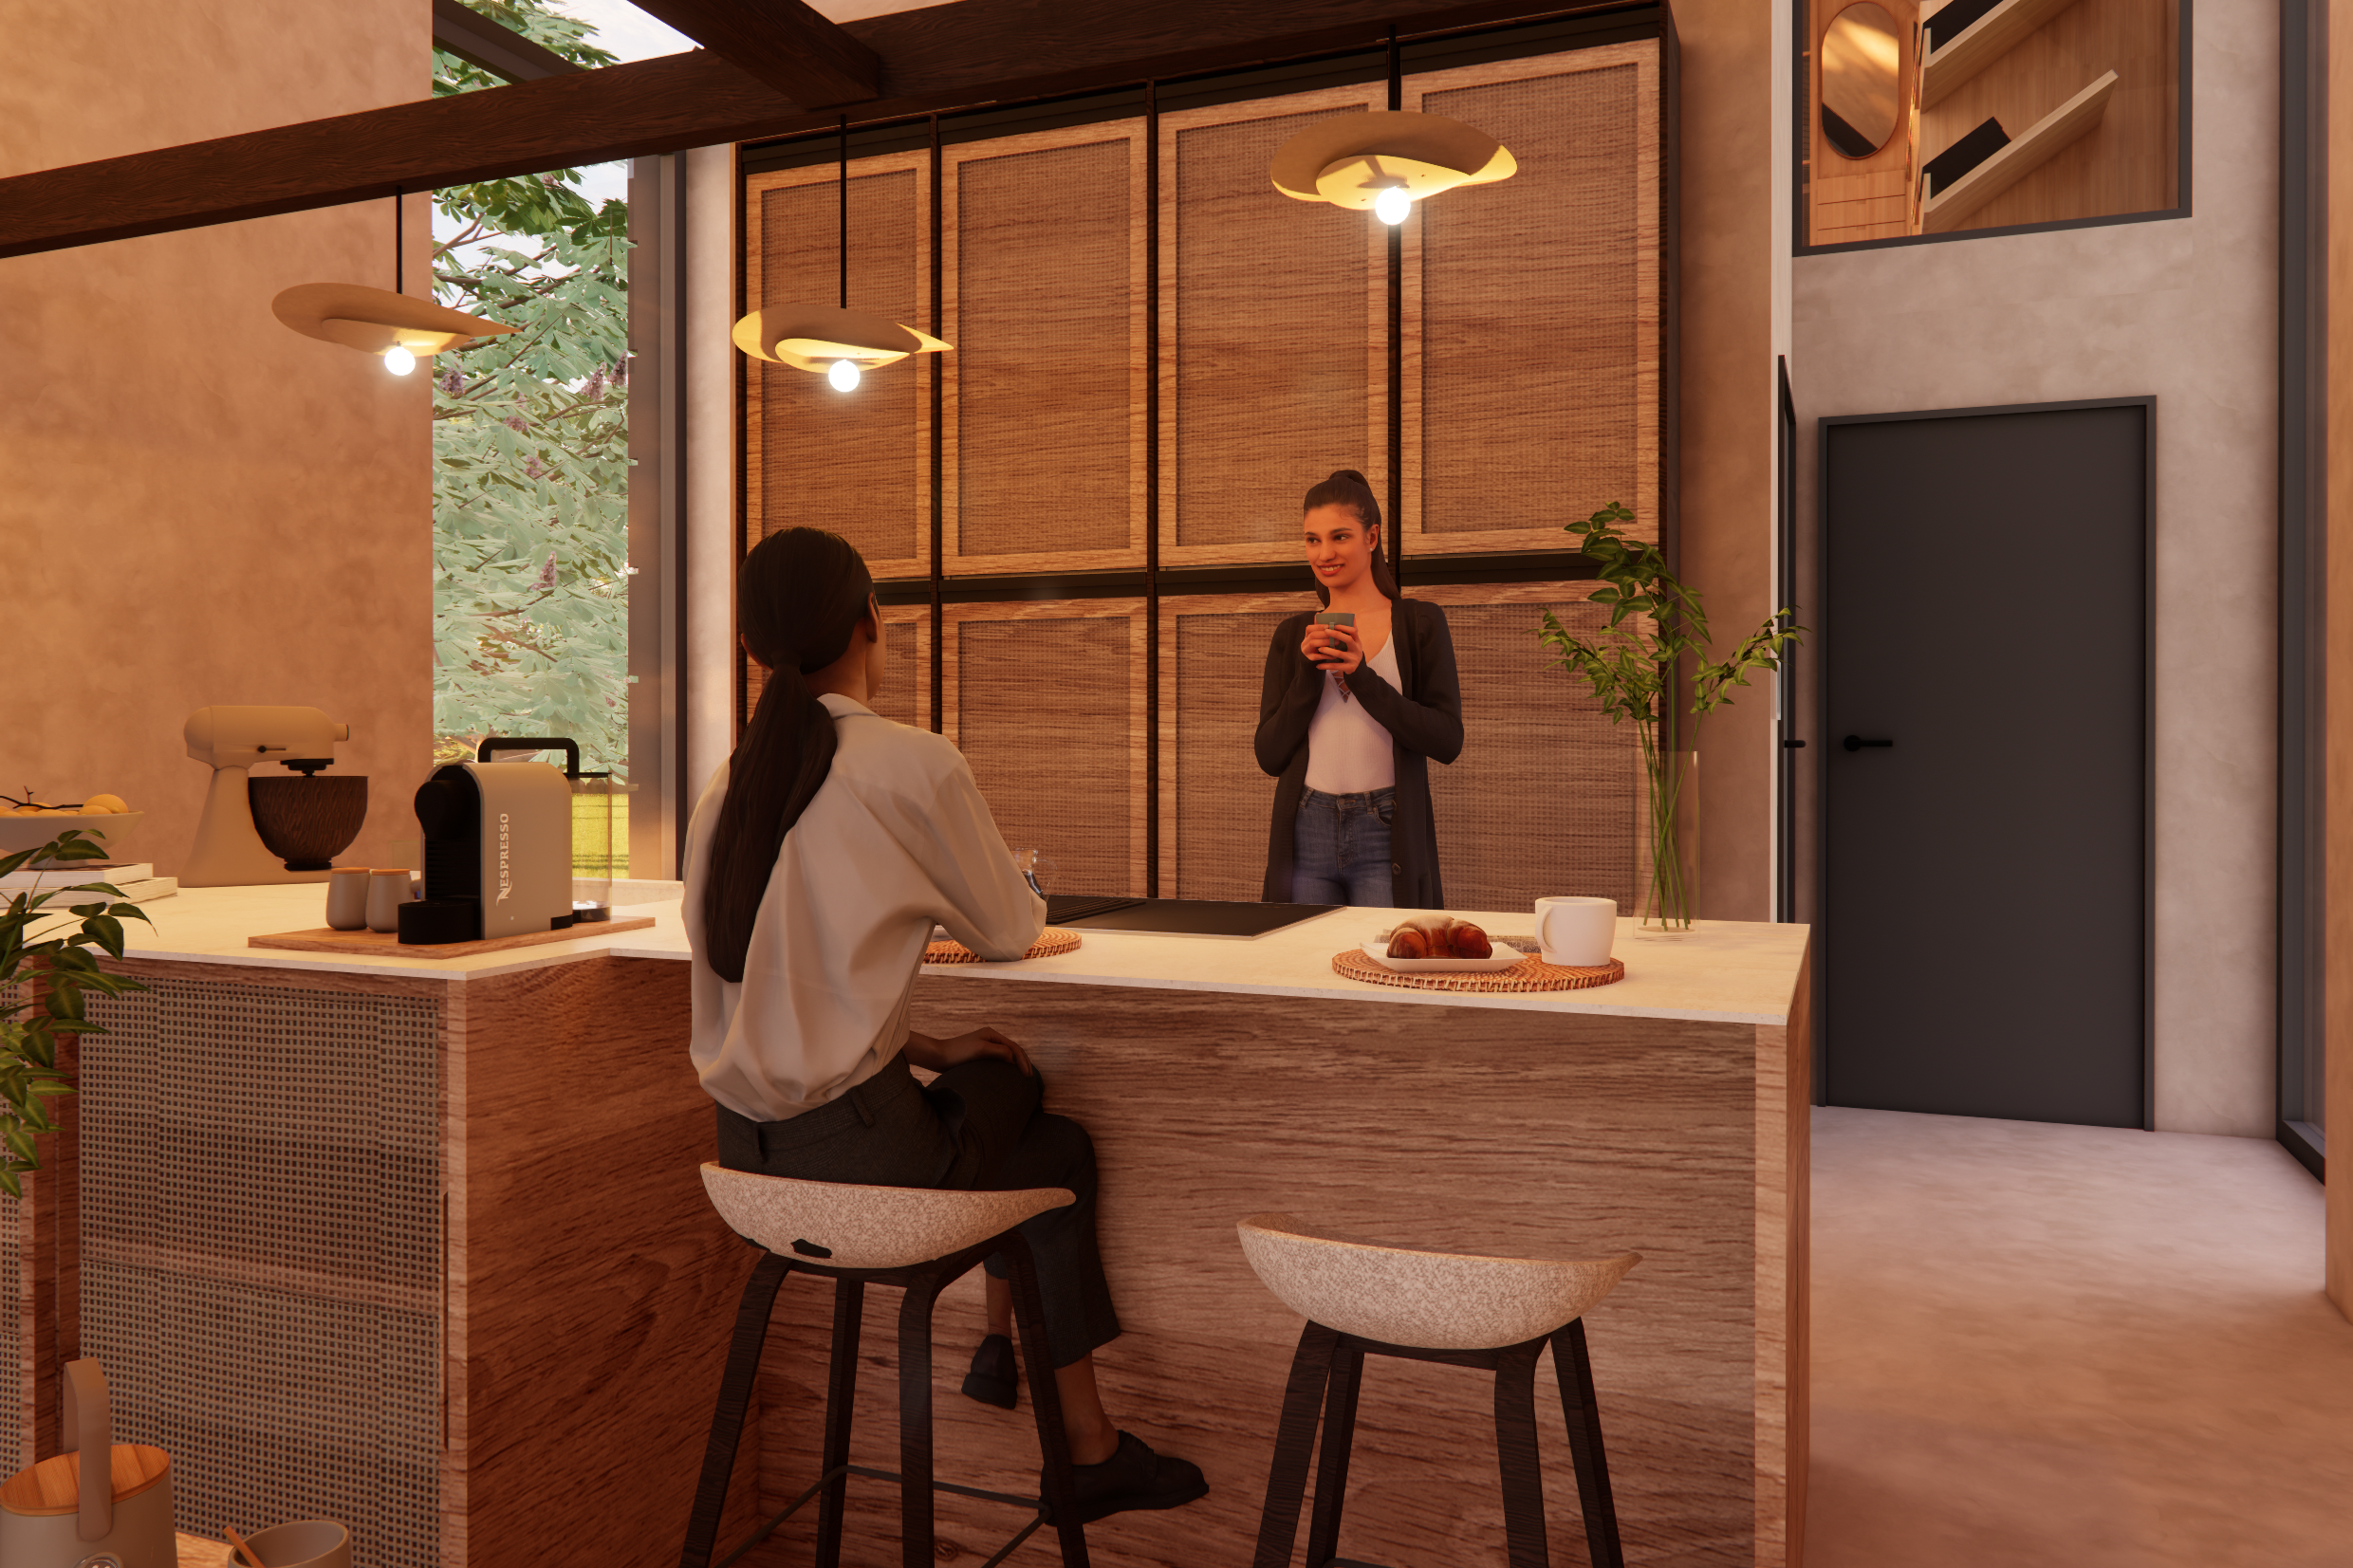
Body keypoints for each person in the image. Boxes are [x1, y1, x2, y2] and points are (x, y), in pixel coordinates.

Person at [683, 526, 1207, 1522]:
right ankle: (1080, 1440)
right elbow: (1009, 930)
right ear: (868, 621)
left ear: (752, 644)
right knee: (1046, 1137)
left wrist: (929, 1045)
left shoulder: (727, 788)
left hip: (744, 1162)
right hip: (867, 1164)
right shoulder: (907, 763)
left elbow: (760, 982)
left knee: (997, 1094)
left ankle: (1001, 1350)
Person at [1254, 470, 1464, 907]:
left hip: (1385, 829)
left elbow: (1447, 740)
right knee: (1301, 949)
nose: (1325, 553)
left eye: (1340, 537)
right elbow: (1269, 755)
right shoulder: (1293, 634)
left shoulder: (1420, 622)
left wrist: (1363, 678)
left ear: (1371, 537)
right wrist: (1308, 675)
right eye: (1312, 540)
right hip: (1306, 826)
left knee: (1381, 950)